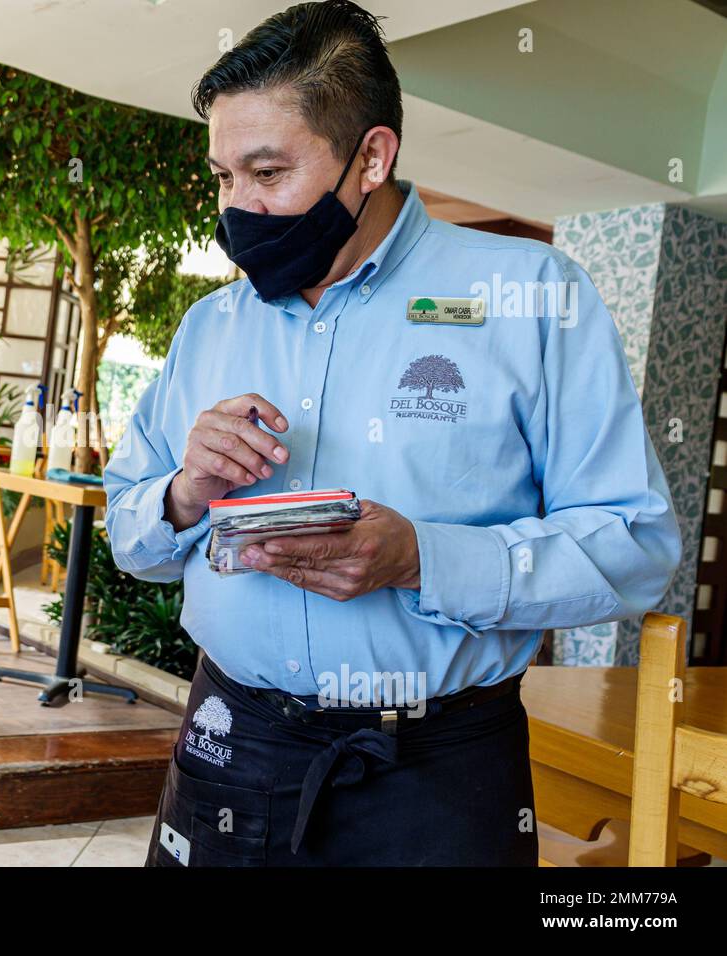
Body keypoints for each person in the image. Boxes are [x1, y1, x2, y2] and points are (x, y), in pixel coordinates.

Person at [103, 0, 681, 866]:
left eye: (268, 173)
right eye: (224, 178)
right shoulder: (210, 327)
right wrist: (185, 494)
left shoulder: (529, 300)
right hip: (232, 746)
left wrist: (421, 560)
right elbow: (128, 533)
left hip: (439, 773)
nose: (238, 210)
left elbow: (635, 546)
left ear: (371, 156)